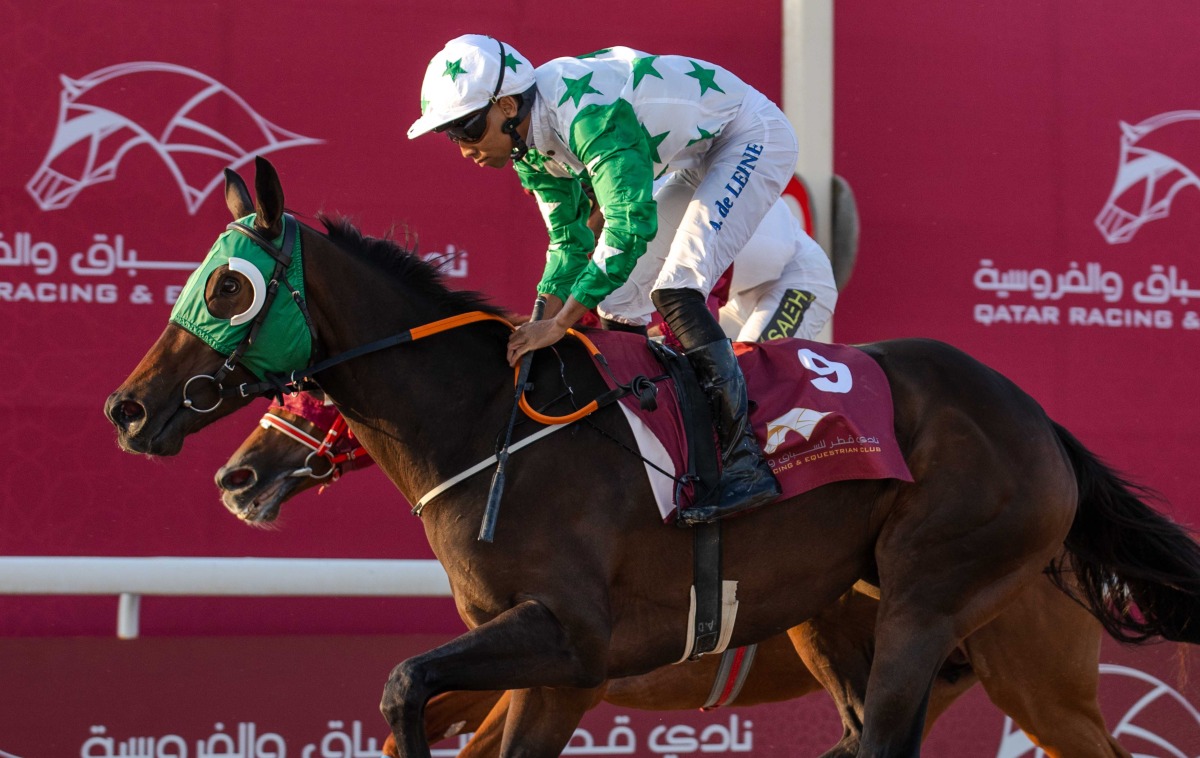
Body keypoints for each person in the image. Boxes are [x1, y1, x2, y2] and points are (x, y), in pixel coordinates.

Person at [408, 35, 800, 522]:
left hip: (750, 136)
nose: (465, 148)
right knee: (620, 300)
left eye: (467, 127)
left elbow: (629, 225)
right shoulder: (529, 147)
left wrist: (559, 324)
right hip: (695, 157)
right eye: (451, 134)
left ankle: (745, 464)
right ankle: (650, 454)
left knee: (676, 290)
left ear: (507, 105)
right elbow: (568, 244)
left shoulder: (587, 115)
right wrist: (536, 325)